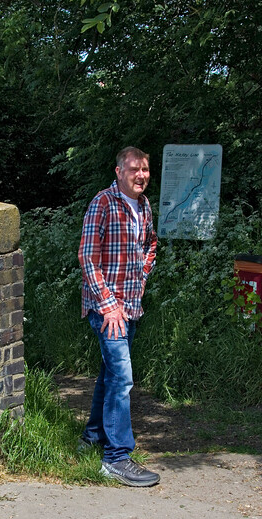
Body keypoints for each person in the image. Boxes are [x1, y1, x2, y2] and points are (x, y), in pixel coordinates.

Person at [77, 146, 160, 487]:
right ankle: (115, 457)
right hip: (107, 311)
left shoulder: (143, 206)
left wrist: (142, 273)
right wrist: (109, 304)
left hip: (131, 308)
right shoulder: (104, 204)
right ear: (118, 171)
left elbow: (151, 244)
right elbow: (87, 257)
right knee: (123, 377)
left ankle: (93, 436)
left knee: (111, 375)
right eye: (133, 169)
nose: (140, 175)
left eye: (145, 169)